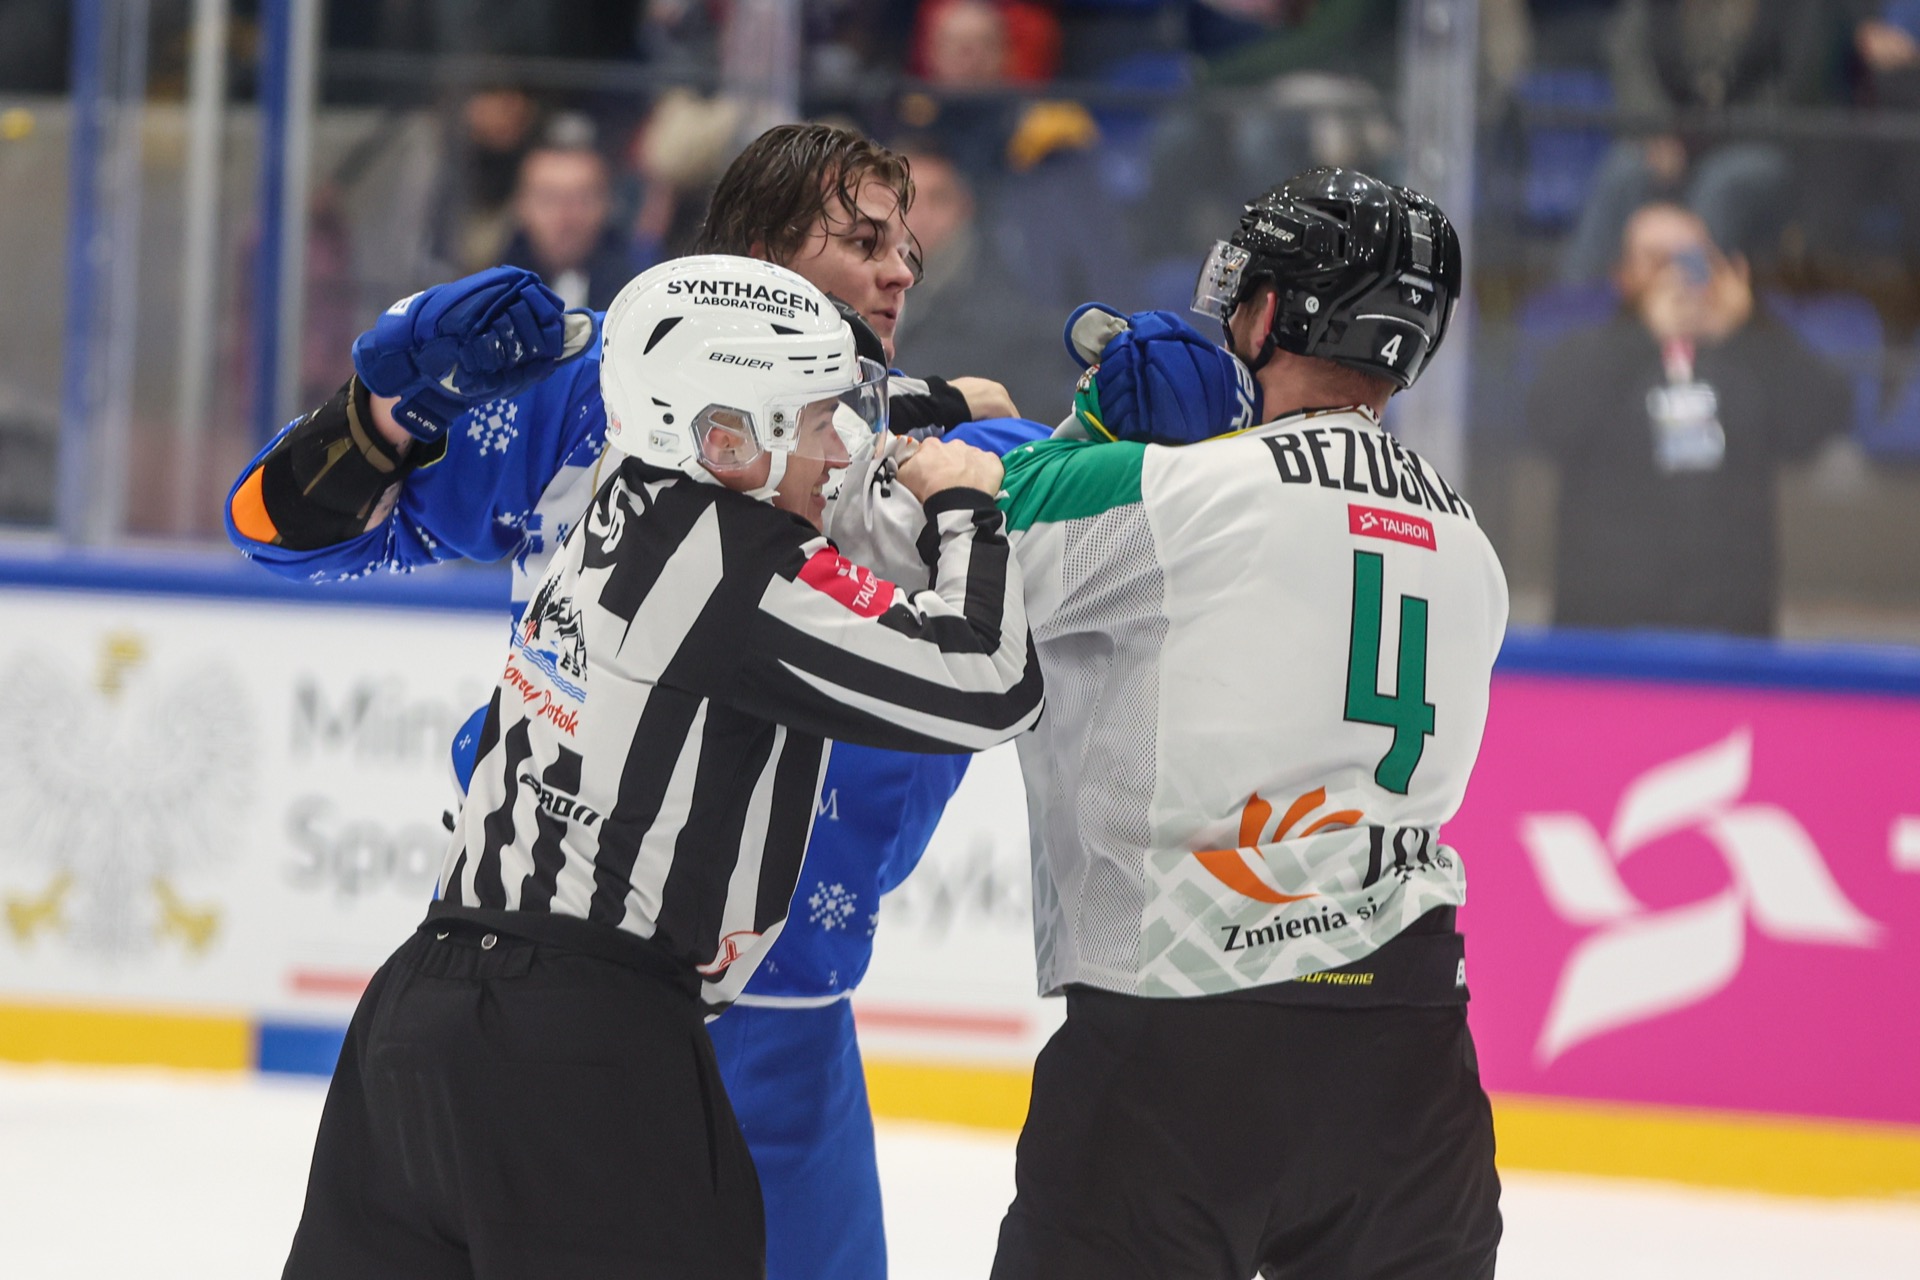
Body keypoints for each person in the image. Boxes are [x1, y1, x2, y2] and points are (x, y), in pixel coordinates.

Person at [224, 122, 1059, 1280]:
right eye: (864, 239)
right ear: (753, 261)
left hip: (770, 1007)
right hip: (577, 984)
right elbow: (278, 527)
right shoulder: (588, 406)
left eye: (906, 247)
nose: (900, 271)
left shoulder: (944, 442)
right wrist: (379, 410)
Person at [832, 165, 1507, 1279]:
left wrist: (1033, 435)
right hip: (1415, 1054)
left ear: (1270, 314)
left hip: (1185, 1043)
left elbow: (911, 528)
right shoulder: (1471, 542)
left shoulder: (1178, 491)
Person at [1527, 201, 1848, 636]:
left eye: (1690, 259)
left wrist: (1749, 328)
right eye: (1657, 260)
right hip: (1606, 630)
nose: (1675, 275)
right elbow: (1549, 423)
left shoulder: (1752, 353)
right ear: (1623, 275)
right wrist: (1644, 334)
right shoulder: (1589, 352)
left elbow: (1822, 420)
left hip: (1728, 632)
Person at [498, 116, 641, 310]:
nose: (565, 218)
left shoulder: (639, 296)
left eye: (582, 200)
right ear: (520, 205)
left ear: (609, 205)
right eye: (549, 199)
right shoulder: (492, 299)